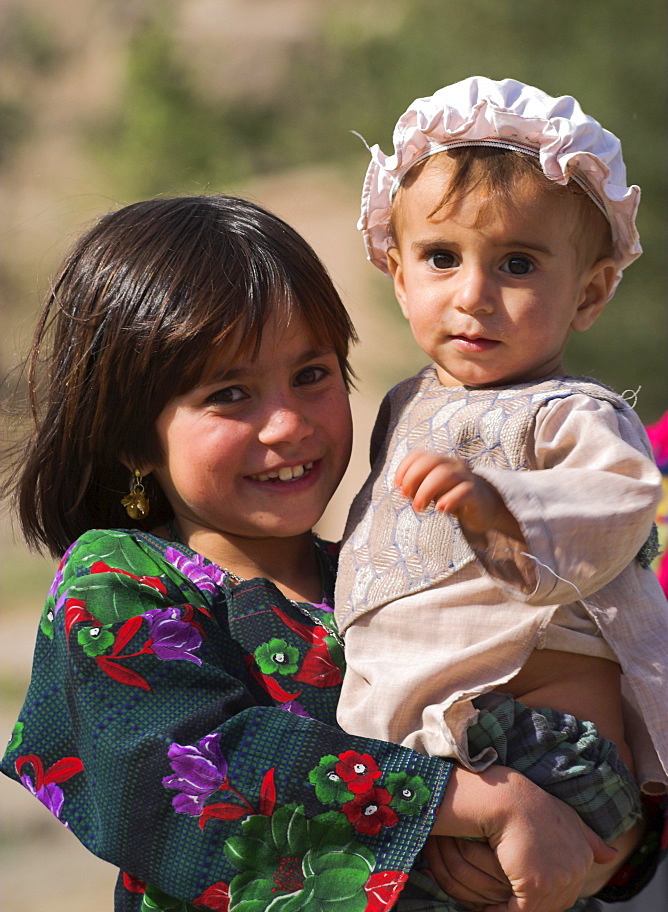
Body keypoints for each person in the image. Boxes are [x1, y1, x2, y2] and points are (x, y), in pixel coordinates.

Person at [0, 194, 616, 912]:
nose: (287, 424)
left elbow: (550, 711)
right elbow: (170, 763)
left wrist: (592, 844)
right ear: (134, 438)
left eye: (312, 375)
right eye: (230, 394)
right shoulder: (118, 583)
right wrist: (469, 802)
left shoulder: (391, 579)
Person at [335, 77, 668, 909]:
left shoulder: (571, 415)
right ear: (397, 271)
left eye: (517, 264)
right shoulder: (406, 407)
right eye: (442, 258)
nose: (474, 294)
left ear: (589, 292)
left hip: (546, 753)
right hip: (443, 752)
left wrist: (500, 503)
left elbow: (623, 499)